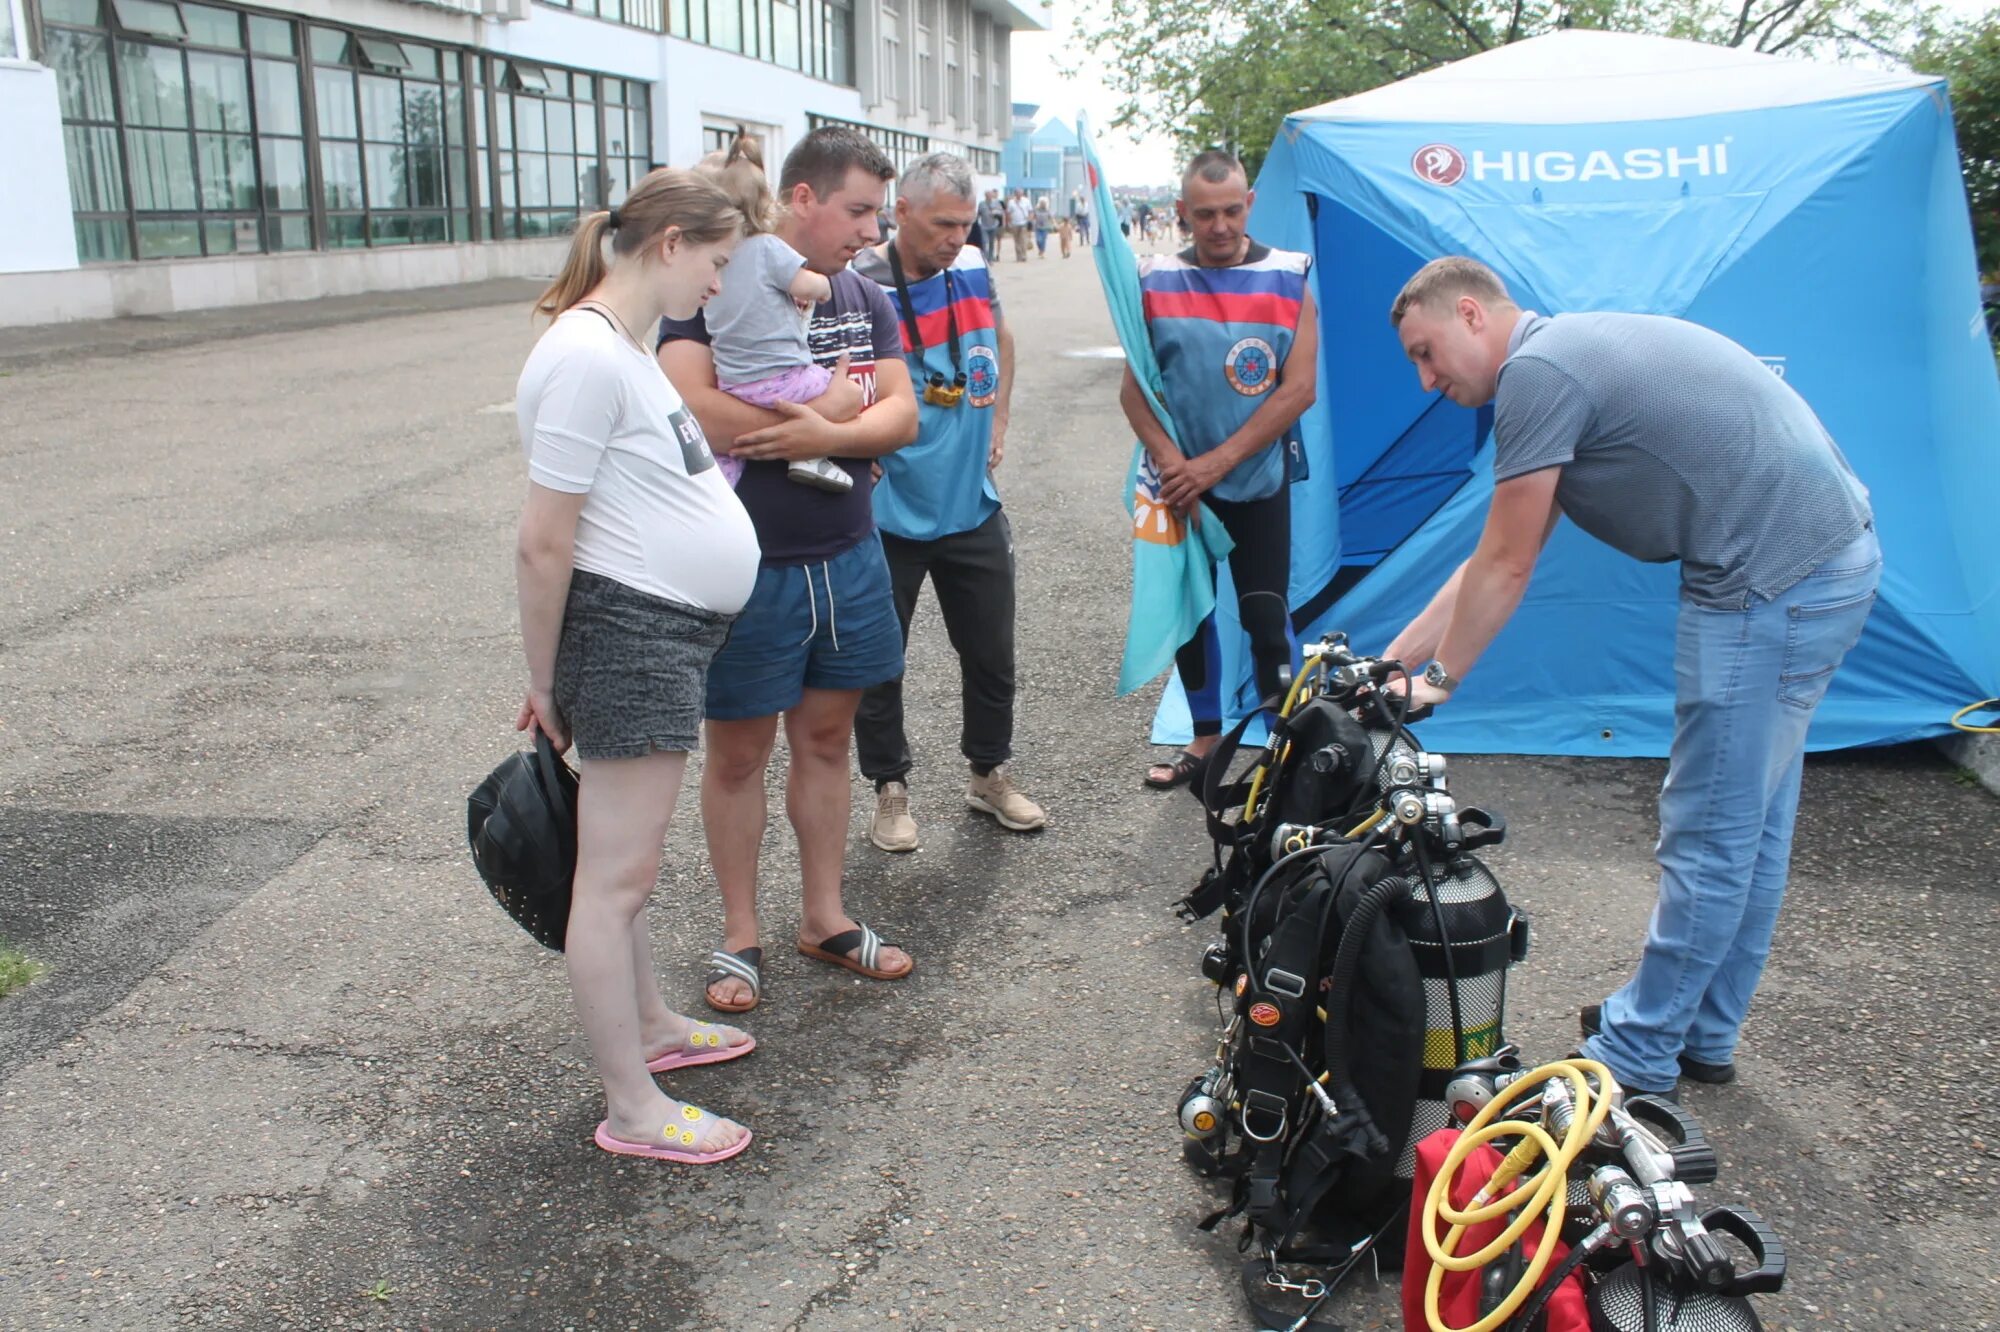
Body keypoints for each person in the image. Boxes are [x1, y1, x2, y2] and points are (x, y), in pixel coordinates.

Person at [1382, 256, 1879, 1097]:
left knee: (1712, 832)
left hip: (1772, 581)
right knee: (1749, 826)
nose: (1428, 380)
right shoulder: (1561, 356)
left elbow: (1506, 566)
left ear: (1472, 314)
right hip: (1824, 560)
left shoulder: (1534, 373)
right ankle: (1699, 1029)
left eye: (1427, 352)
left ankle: (1638, 1053)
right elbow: (1493, 556)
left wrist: (1437, 680)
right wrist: (1391, 662)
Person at [513, 168, 760, 1164]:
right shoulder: (583, 354)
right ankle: (632, 1106)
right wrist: (544, 682)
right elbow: (541, 539)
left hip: (653, 630)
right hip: (629, 634)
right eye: (716, 259)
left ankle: (653, 1024)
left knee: (630, 870)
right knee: (612, 881)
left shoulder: (617, 348)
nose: (719, 280)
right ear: (668, 245)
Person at [657, 127, 922, 1014]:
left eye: (877, 214)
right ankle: (739, 935)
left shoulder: (865, 295)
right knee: (736, 755)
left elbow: (903, 418)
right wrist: (831, 419)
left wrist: (824, 436)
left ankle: (825, 917)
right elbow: (692, 410)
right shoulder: (712, 281)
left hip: (848, 557)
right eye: (858, 210)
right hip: (747, 568)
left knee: (826, 742)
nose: (870, 231)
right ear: (802, 199)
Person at [849, 153, 1047, 852]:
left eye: (966, 224)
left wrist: (999, 419)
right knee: (880, 662)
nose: (955, 238)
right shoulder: (859, 279)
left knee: (991, 654)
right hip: (891, 513)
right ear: (899, 212)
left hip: (972, 505)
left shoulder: (969, 264)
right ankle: (890, 789)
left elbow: (1003, 334)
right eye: (941, 225)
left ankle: (988, 774)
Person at [1125, 150, 1318, 789]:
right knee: (1192, 617)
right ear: (1182, 212)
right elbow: (1135, 393)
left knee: (1267, 613)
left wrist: (1216, 463)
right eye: (1204, 214)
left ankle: (1288, 749)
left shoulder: (1289, 277)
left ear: (1250, 205)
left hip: (1255, 480)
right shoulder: (1153, 281)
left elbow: (1298, 391)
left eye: (1232, 210)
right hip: (1181, 485)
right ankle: (1205, 741)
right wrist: (1177, 466)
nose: (1219, 226)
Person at [693, 134, 851, 494]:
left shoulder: (711, 261)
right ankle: (809, 455)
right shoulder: (766, 248)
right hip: (784, 380)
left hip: (733, 384)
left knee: (730, 453)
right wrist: (824, 285)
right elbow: (805, 286)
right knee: (843, 391)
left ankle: (720, 487)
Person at [977, 188, 1005, 263]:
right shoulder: (981, 204)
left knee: (992, 243)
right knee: (984, 242)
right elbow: (978, 214)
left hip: (994, 225)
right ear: (985, 196)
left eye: (990, 195)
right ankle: (985, 259)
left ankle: (990, 259)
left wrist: (995, 212)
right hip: (984, 226)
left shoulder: (996, 203)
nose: (989, 196)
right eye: (987, 195)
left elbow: (1001, 212)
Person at [1006, 189, 1032, 262]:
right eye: (1017, 193)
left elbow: (1030, 211)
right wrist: (1008, 223)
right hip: (1014, 223)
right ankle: (1018, 256)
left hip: (1024, 223)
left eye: (1020, 193)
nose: (1019, 195)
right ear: (1015, 194)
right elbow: (1008, 213)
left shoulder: (1026, 201)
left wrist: (1029, 219)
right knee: (1016, 240)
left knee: (1023, 239)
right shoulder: (1011, 202)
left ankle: (1024, 255)